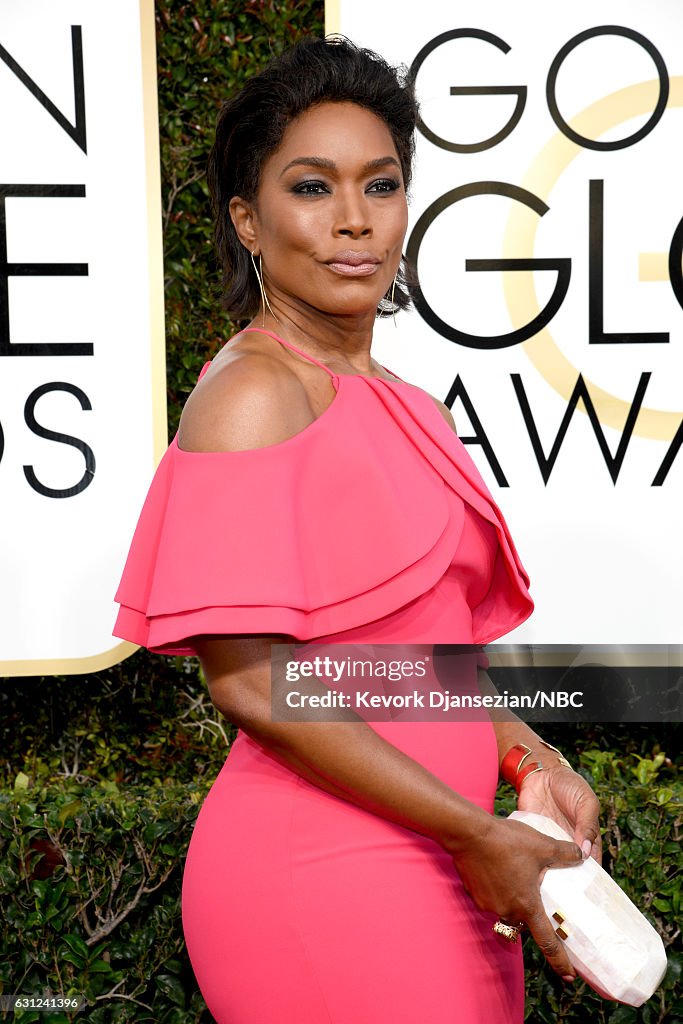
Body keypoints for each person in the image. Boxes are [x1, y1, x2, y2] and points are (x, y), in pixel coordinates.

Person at [113, 36, 602, 1023]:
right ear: (246, 219)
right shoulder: (252, 393)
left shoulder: (405, 402)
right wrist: (470, 831)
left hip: (454, 857)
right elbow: (249, 678)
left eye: (379, 186)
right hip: (324, 866)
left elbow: (421, 671)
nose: (351, 221)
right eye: (309, 187)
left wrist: (528, 764)